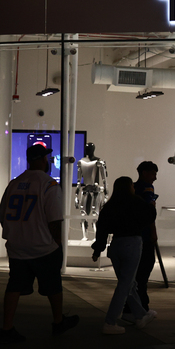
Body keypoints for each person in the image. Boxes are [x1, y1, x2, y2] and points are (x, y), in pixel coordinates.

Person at [0, 144, 79, 344]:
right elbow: (54, 220)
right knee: (53, 286)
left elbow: (3, 216)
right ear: (43, 160)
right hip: (43, 248)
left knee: (14, 286)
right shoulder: (49, 184)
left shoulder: (14, 184)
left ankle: (7, 326)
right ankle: (58, 321)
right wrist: (58, 243)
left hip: (17, 247)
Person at [91, 176, 157, 335]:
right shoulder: (136, 202)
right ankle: (110, 321)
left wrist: (98, 249)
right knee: (125, 285)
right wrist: (152, 206)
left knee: (128, 283)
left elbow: (102, 230)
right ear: (129, 187)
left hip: (115, 246)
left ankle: (140, 315)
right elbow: (149, 217)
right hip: (132, 244)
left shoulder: (109, 206)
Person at [123, 161, 159, 318]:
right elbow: (149, 213)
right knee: (144, 272)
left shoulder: (131, 190)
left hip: (130, 236)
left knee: (133, 274)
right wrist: (153, 232)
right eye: (153, 174)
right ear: (145, 173)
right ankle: (141, 306)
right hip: (143, 236)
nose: (155, 178)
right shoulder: (147, 189)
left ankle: (131, 305)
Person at [75, 142, 108, 241]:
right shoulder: (81, 162)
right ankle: (84, 236)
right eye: (86, 149)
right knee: (82, 213)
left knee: (95, 214)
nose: (88, 151)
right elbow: (78, 181)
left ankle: (96, 237)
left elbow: (104, 180)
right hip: (85, 190)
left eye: (89, 149)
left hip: (96, 191)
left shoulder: (99, 162)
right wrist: (76, 196)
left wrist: (106, 195)